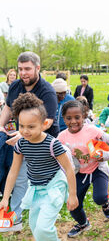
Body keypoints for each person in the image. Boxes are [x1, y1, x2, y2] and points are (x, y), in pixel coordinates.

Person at [0, 93, 78, 241]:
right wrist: (5, 198)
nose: (25, 131)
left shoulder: (52, 144)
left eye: (31, 126)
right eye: (21, 126)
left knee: (43, 229)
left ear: (44, 124)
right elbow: (13, 171)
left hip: (54, 186)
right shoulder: (21, 144)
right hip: (35, 188)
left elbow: (68, 169)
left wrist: (73, 195)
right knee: (35, 228)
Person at [0, 51, 59, 232]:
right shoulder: (15, 86)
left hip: (42, 140)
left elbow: (48, 121)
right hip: (21, 135)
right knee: (15, 175)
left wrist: (24, 135)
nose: (23, 73)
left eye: (27, 69)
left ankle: (28, 215)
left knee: (28, 179)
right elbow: (9, 107)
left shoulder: (47, 91)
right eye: (20, 69)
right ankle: (13, 214)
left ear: (37, 68)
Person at [57, 100, 109, 238]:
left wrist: (108, 155)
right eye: (68, 118)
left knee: (99, 198)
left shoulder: (92, 130)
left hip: (97, 168)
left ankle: (105, 204)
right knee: (73, 204)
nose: (73, 121)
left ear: (84, 116)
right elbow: (56, 156)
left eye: (77, 117)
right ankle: (83, 223)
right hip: (78, 173)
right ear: (63, 118)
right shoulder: (61, 137)